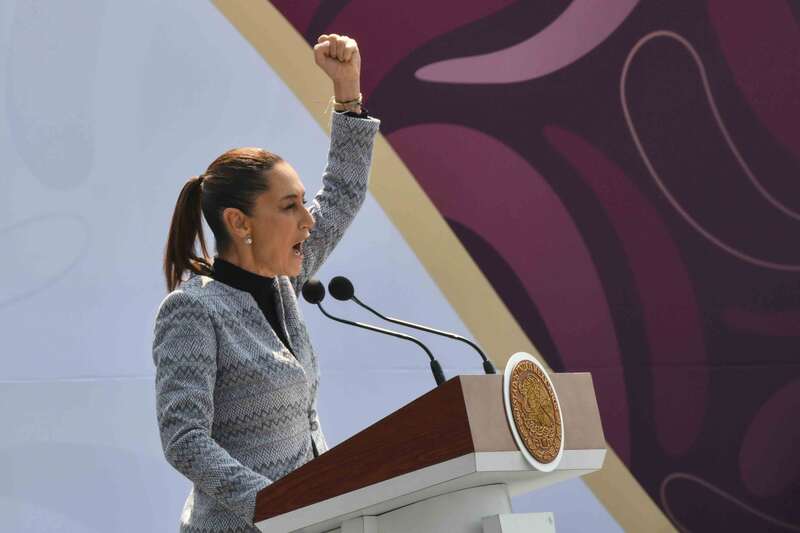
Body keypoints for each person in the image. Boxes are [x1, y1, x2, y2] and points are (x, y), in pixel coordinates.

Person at [152, 34, 379, 532]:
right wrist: (282, 501)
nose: (309, 220)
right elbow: (184, 439)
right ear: (239, 223)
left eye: (302, 202)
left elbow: (341, 194)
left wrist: (347, 92)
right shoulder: (193, 310)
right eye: (289, 206)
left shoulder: (282, 285)